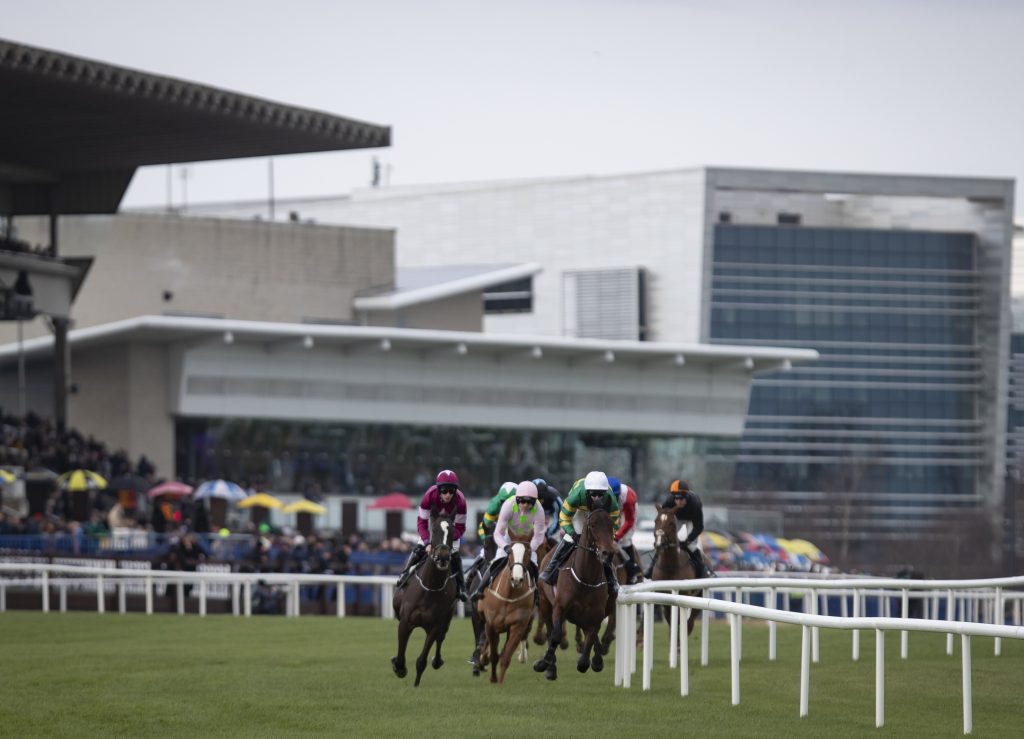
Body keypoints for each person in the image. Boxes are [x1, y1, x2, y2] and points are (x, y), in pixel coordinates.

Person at [539, 470, 621, 596]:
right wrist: (572, 533)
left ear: (605, 492)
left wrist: (608, 538)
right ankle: (551, 569)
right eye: (594, 494)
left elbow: (614, 521)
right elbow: (563, 517)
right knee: (569, 539)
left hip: (600, 513)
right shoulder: (576, 496)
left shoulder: (610, 498)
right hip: (579, 511)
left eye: (601, 494)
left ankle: (611, 579)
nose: (597, 498)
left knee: (606, 547)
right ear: (588, 492)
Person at [395, 469, 469, 601]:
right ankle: (404, 574)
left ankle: (462, 588)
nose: (448, 494)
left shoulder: (461, 501)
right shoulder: (429, 496)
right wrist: (427, 542)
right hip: (432, 528)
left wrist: (449, 537)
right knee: (419, 548)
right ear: (438, 489)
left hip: (449, 532)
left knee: (455, 555)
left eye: (452, 491)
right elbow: (422, 523)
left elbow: (460, 527)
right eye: (444, 490)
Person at [470, 480, 546, 601]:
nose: (525, 505)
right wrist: (505, 547)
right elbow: (498, 533)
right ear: (517, 499)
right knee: (497, 560)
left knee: (534, 564)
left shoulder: (539, 509)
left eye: (529, 502)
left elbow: (539, 535)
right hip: (509, 536)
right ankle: (480, 589)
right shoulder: (508, 505)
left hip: (527, 540)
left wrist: (531, 548)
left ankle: (537, 595)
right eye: (522, 501)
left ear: (535, 501)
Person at [645, 479, 711, 579]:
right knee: (662, 543)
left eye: (681, 498)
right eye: (676, 498)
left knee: (692, 547)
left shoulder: (695, 503)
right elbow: (664, 519)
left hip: (691, 520)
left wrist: (687, 541)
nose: (678, 501)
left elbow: (699, 527)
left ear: (687, 496)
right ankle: (651, 568)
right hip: (677, 519)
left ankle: (701, 571)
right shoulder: (669, 501)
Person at [608, 476, 643, 585]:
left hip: (628, 511)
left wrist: (617, 537)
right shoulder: (602, 494)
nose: (614, 499)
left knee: (625, 539)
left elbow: (629, 522)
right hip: (614, 510)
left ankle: (632, 570)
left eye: (616, 496)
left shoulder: (628, 499)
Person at [474, 481, 518, 563]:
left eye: (509, 501)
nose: (505, 505)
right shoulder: (494, 506)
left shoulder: (523, 507)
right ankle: (472, 572)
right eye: (503, 501)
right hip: (498, 534)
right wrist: (486, 541)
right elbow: (483, 526)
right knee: (483, 553)